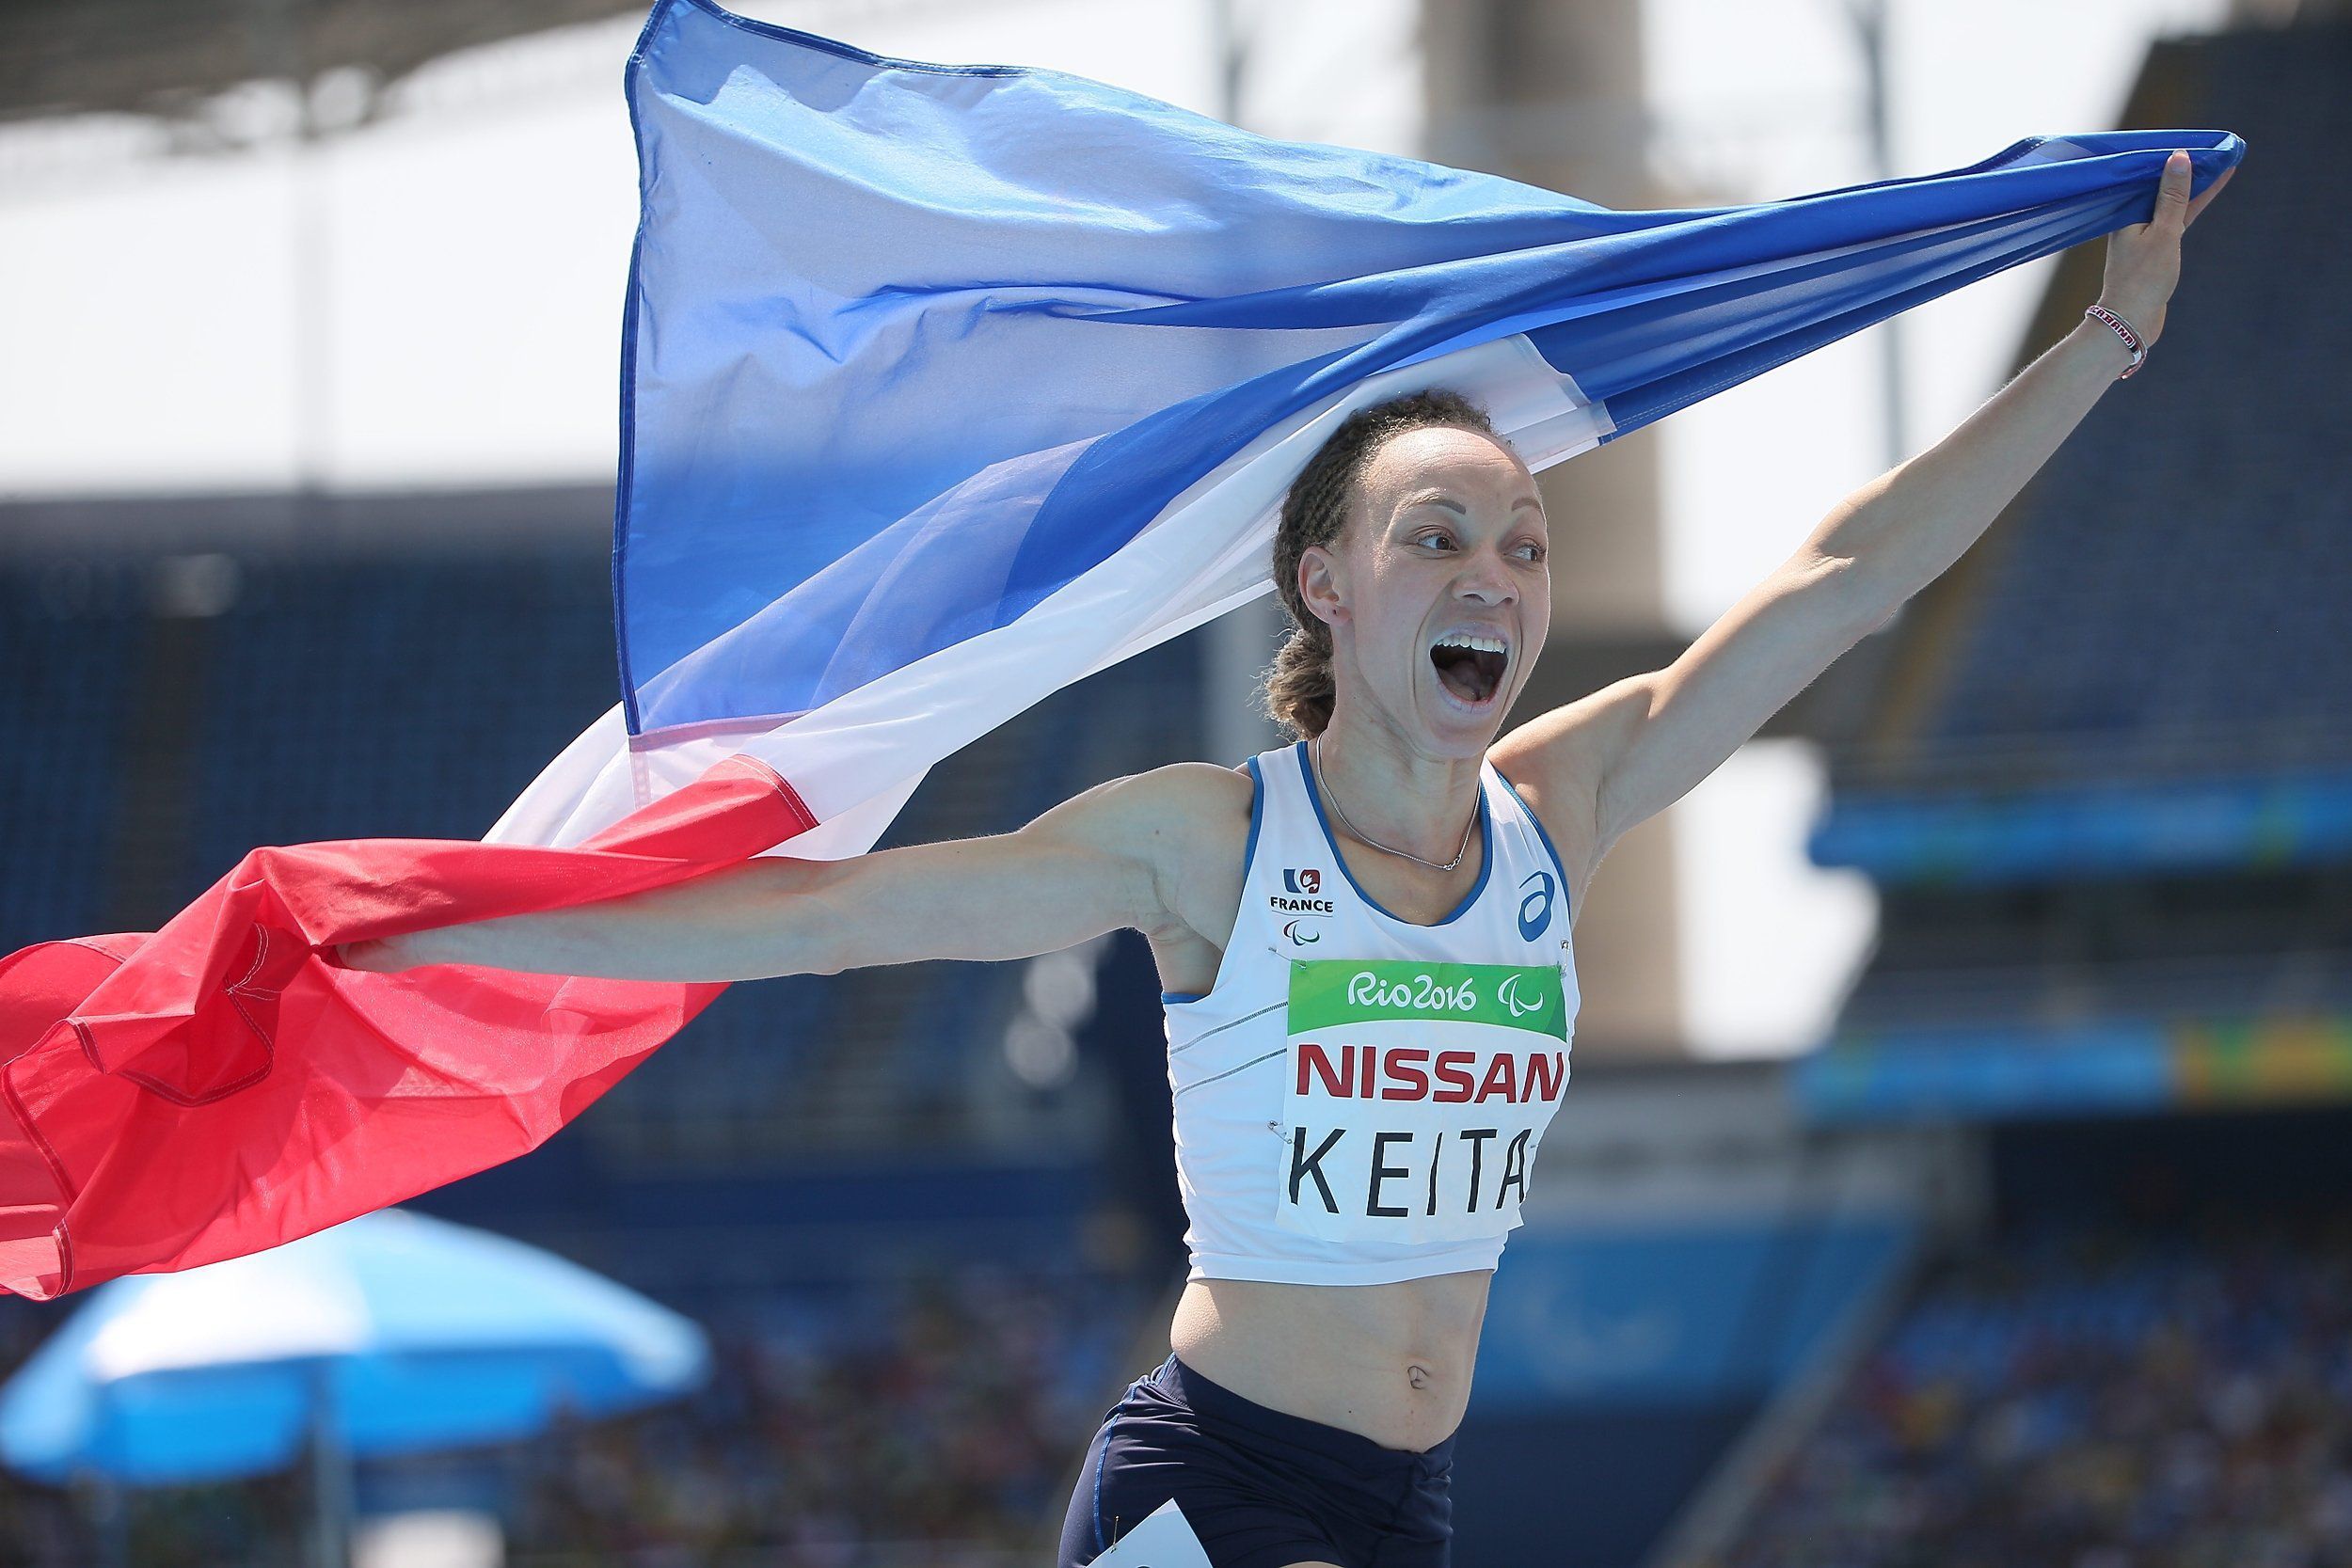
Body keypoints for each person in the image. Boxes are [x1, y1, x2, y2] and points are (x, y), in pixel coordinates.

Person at [336, 150, 2226, 1568]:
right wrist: (485, 934)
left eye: (1519, 546)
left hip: (1403, 1500)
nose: (1490, 575)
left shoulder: (1559, 809)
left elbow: (1848, 581)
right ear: (1323, 582)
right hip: (1219, 1488)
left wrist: (2102, 348)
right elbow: (843, 919)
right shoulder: (1208, 840)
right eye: (1435, 539)